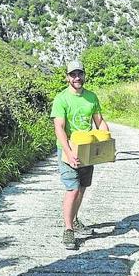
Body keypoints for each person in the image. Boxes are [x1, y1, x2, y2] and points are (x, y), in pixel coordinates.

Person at [50, 60, 109, 250]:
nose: (77, 78)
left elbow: (99, 122)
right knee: (73, 189)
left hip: (87, 149)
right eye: (73, 75)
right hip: (68, 149)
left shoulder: (91, 97)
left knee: (83, 187)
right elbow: (58, 128)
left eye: (80, 74)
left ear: (84, 75)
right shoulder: (61, 99)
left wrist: (107, 143)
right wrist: (68, 152)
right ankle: (68, 230)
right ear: (67, 77)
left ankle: (74, 220)